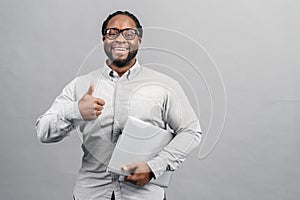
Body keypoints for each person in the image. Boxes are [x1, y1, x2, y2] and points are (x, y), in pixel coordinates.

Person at [36, 10, 202, 200]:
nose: (120, 39)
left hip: (145, 196)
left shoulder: (164, 85)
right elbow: (43, 132)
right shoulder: (80, 85)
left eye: (129, 33)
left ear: (139, 40)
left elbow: (191, 131)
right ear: (103, 39)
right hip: (91, 193)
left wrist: (153, 167)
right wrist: (75, 111)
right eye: (112, 32)